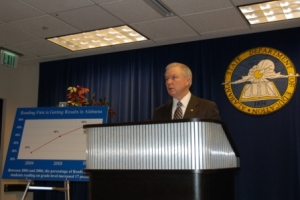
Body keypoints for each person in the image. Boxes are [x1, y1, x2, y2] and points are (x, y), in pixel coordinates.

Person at [152, 62, 221, 120]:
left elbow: (215, 135)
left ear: (187, 81)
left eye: (174, 78)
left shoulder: (207, 108)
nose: (169, 82)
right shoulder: (159, 112)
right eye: (167, 79)